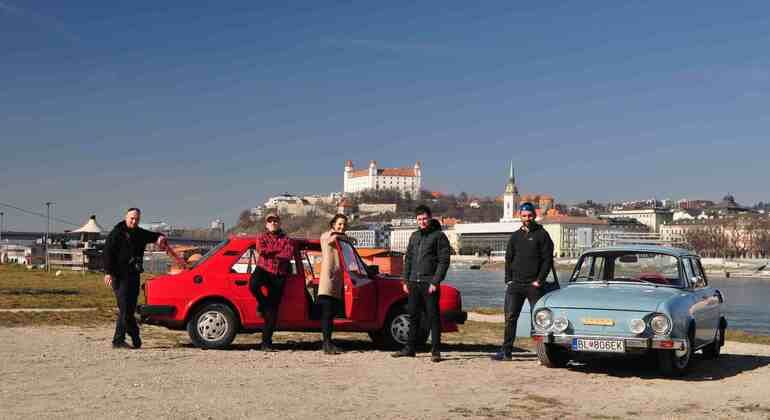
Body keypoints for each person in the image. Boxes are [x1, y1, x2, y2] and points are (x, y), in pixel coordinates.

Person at [491, 202, 555, 361]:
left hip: (534, 285)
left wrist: (539, 281)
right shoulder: (515, 236)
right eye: (524, 216)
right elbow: (508, 259)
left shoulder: (542, 234)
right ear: (520, 216)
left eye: (530, 216)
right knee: (510, 317)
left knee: (538, 320)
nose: (527, 219)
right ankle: (506, 351)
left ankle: (543, 354)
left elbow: (547, 260)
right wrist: (508, 280)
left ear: (534, 215)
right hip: (516, 284)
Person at [392, 205, 450, 363]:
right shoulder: (414, 236)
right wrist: (405, 280)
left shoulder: (439, 236)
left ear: (430, 218)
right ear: (416, 220)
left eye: (425, 219)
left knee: (433, 317)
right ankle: (409, 348)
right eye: (419, 219)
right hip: (413, 283)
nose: (422, 222)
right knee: (413, 316)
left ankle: (436, 350)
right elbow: (408, 259)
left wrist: (435, 281)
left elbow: (443, 261)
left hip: (429, 283)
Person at [103, 208, 167, 349]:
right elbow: (107, 253)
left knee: (130, 310)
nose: (134, 221)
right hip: (119, 276)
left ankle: (135, 335)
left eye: (137, 219)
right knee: (124, 309)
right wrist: (108, 272)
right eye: (132, 218)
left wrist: (160, 238)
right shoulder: (116, 233)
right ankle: (118, 341)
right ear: (126, 217)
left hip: (134, 275)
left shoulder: (139, 233)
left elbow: (155, 236)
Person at [249, 213, 295, 352]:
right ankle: (262, 303)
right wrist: (278, 250)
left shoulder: (287, 238)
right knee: (253, 285)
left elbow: (287, 255)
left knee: (272, 312)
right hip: (263, 269)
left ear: (279, 223)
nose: (273, 223)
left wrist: (271, 252)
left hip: (279, 274)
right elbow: (261, 250)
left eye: (275, 221)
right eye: (270, 221)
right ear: (266, 224)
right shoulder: (262, 237)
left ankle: (266, 343)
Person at [316, 214, 354, 355]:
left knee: (331, 314)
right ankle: (326, 344)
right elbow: (333, 239)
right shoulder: (327, 236)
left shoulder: (341, 239)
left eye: (344, 225)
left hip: (337, 281)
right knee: (327, 314)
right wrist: (348, 238)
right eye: (339, 224)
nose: (342, 227)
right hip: (328, 280)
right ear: (333, 224)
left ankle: (329, 343)